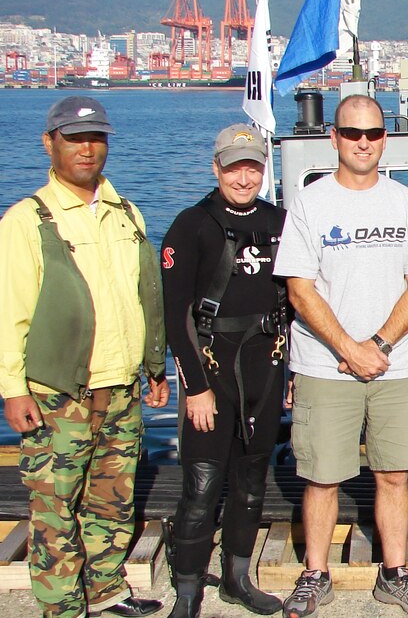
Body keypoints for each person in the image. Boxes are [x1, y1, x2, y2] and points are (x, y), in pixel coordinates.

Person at [0, 96, 168, 618]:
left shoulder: (125, 212)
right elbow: (8, 315)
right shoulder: (28, 220)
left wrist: (154, 367)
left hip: (122, 388)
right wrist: (12, 387)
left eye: (96, 138)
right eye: (73, 138)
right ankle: (62, 608)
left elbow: (142, 295)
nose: (87, 148)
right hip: (58, 395)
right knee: (55, 510)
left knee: (112, 502)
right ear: (50, 144)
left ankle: (107, 592)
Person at [274, 95, 408, 618]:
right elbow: (300, 289)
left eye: (372, 133)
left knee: (395, 473)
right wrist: (348, 347)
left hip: (390, 368)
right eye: (352, 133)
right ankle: (315, 574)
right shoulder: (309, 203)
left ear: (384, 139)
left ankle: (394, 573)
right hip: (326, 365)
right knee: (322, 476)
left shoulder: (404, 204)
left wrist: (381, 347)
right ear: (334, 138)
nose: (363, 142)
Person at [160, 125, 287, 617]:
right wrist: (194, 388)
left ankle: (236, 576)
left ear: (263, 170)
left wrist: (290, 372)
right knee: (203, 481)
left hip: (266, 365)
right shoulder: (191, 225)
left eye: (252, 166)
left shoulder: (280, 221)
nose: (243, 176)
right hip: (210, 368)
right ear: (216, 168)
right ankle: (188, 587)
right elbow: (176, 316)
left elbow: (293, 303)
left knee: (252, 479)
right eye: (234, 166)